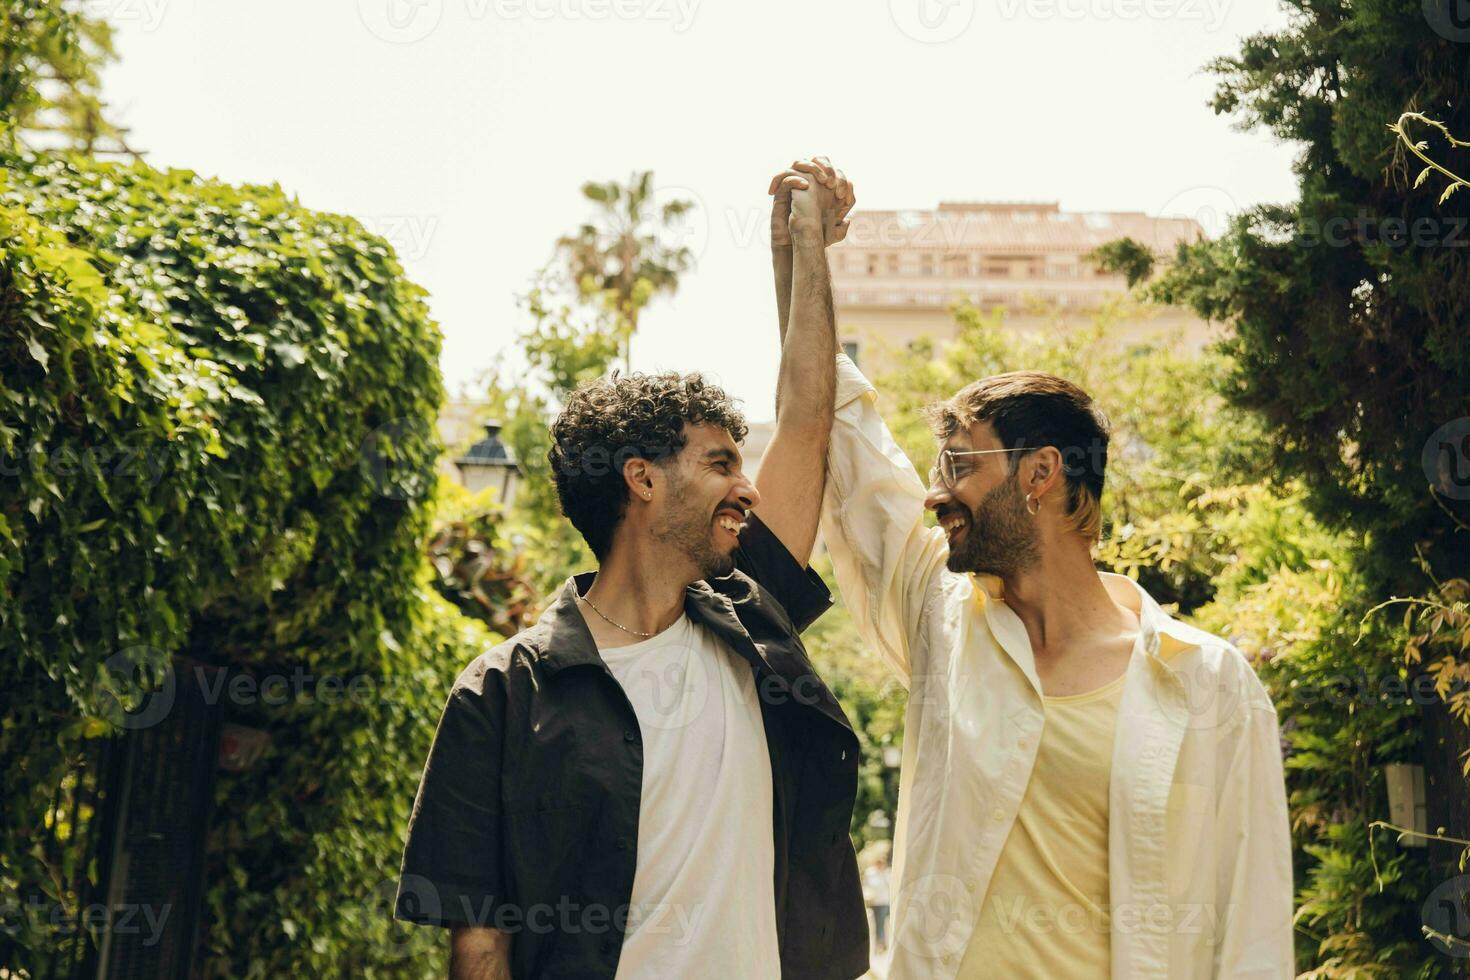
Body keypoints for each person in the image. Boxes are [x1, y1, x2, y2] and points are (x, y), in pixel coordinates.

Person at [757, 156, 1294, 979]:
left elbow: (1253, 933)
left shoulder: (1209, 684)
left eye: (961, 467)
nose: (937, 496)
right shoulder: (944, 623)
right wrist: (801, 260)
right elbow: (844, 433)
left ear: (1040, 475)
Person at [393, 171, 868, 979]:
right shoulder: (503, 694)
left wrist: (801, 252)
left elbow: (808, 418)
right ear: (641, 479)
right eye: (720, 462)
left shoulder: (752, 617)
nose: (747, 486)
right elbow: (479, 942)